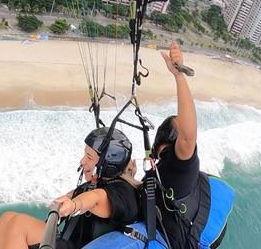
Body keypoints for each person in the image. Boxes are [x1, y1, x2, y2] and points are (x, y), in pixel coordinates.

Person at [84, 42, 198, 249]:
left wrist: (178, 75)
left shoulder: (182, 168)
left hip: (160, 241)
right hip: (145, 231)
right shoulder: (159, 172)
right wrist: (134, 180)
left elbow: (188, 137)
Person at [0, 127, 140, 249]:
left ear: (107, 166)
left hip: (77, 245)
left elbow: (96, 198)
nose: (82, 161)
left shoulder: (122, 192)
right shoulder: (99, 182)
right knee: (7, 218)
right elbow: (80, 193)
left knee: (19, 223)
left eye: (89, 158)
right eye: (84, 155)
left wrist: (75, 205)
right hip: (67, 240)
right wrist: (69, 198)